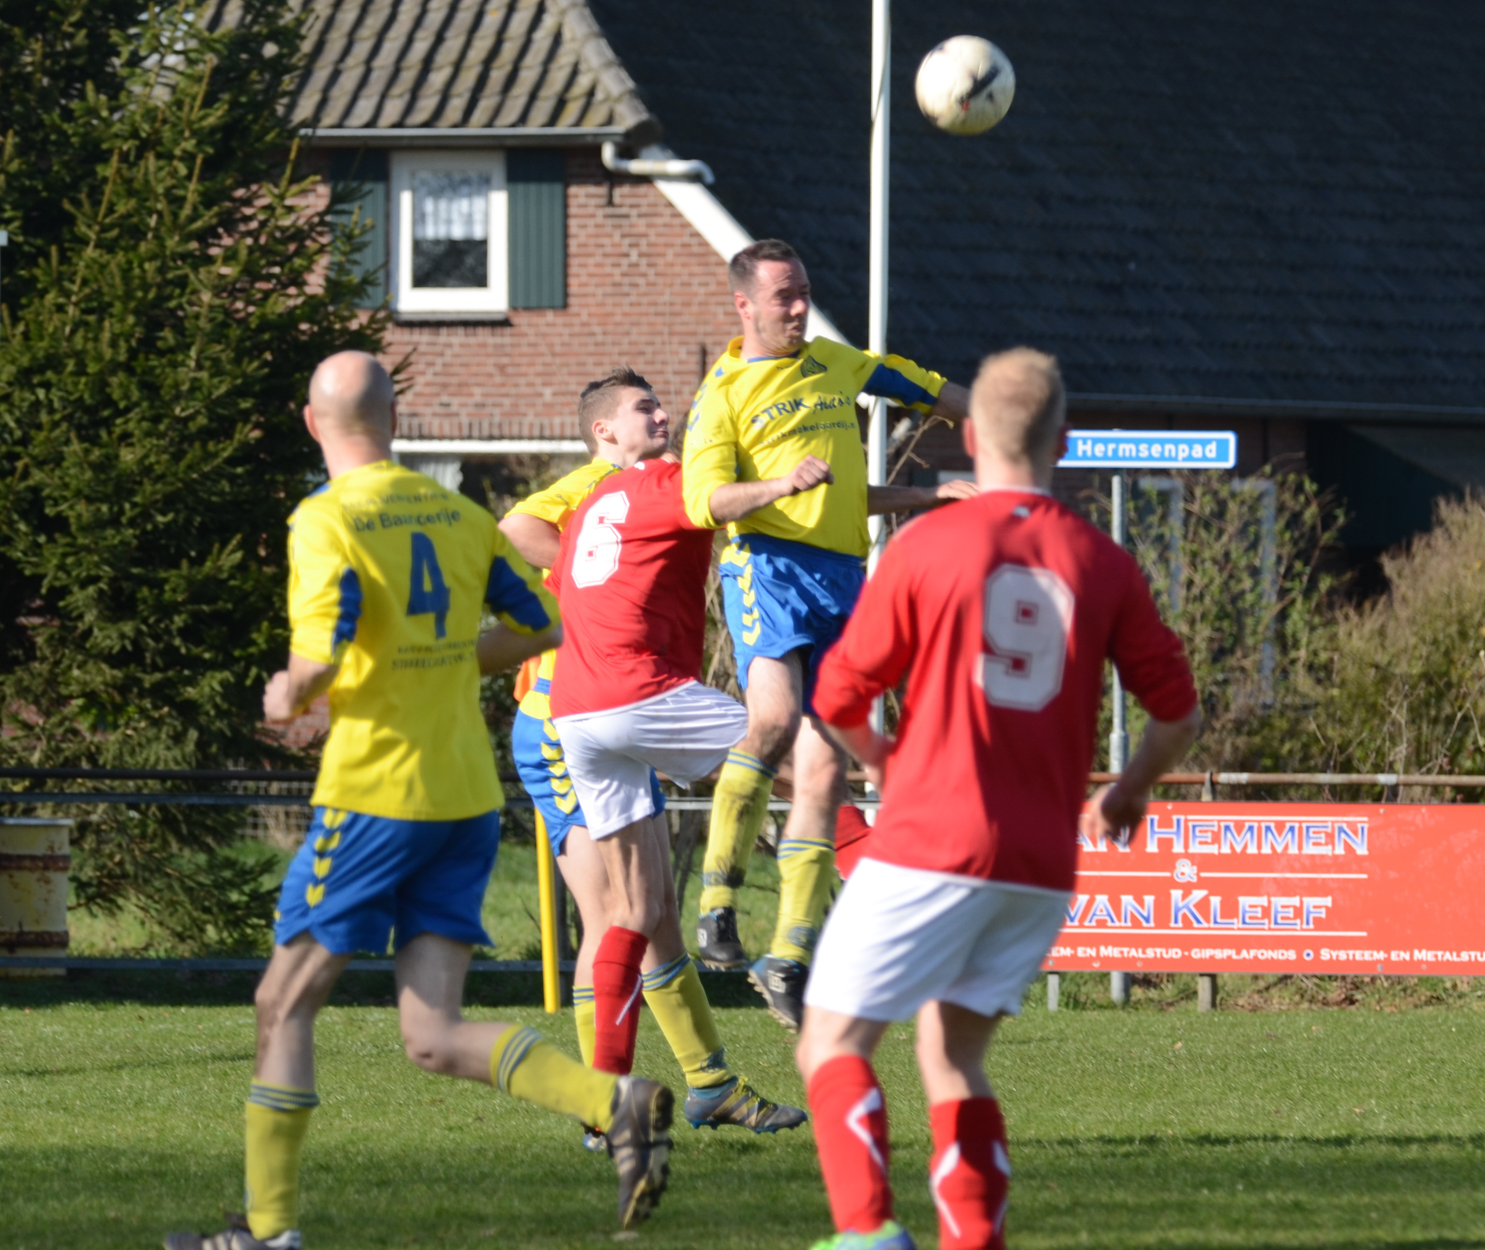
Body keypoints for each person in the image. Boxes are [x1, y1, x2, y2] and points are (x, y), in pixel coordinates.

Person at [166, 353, 672, 1250]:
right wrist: (435, 662)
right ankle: (613, 1100)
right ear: (395, 418)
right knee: (432, 1033)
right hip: (465, 801)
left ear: (312, 423)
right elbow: (541, 624)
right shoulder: (458, 514)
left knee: (282, 1001)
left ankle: (270, 1231)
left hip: (375, 794)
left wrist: (287, 696)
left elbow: (316, 657)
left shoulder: (328, 518)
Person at [797, 348, 1202, 1250]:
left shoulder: (927, 543)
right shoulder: (1102, 560)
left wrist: (883, 759)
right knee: (953, 1055)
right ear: (1063, 441)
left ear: (972, 437)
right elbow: (1179, 714)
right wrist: (1128, 791)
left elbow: (837, 696)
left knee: (830, 1042)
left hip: (932, 837)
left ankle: (867, 1232)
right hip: (1038, 863)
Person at [681, 237, 974, 1030]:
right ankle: (717, 898)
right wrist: (780, 482)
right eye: (785, 295)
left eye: (804, 291)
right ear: (744, 305)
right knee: (773, 720)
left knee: (822, 774)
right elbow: (703, 502)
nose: (800, 306)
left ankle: (788, 955)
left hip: (842, 579)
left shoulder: (837, 365)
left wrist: (970, 456)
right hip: (767, 568)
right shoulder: (723, 393)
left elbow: (931, 390)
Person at [502, 370, 804, 1137]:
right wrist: (581, 598)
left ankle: (709, 1083)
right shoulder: (605, 482)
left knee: (648, 913)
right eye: (646, 407)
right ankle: (601, 1106)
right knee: (614, 915)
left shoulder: (639, 488)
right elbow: (514, 527)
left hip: (605, 706)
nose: (664, 415)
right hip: (565, 713)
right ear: (605, 429)